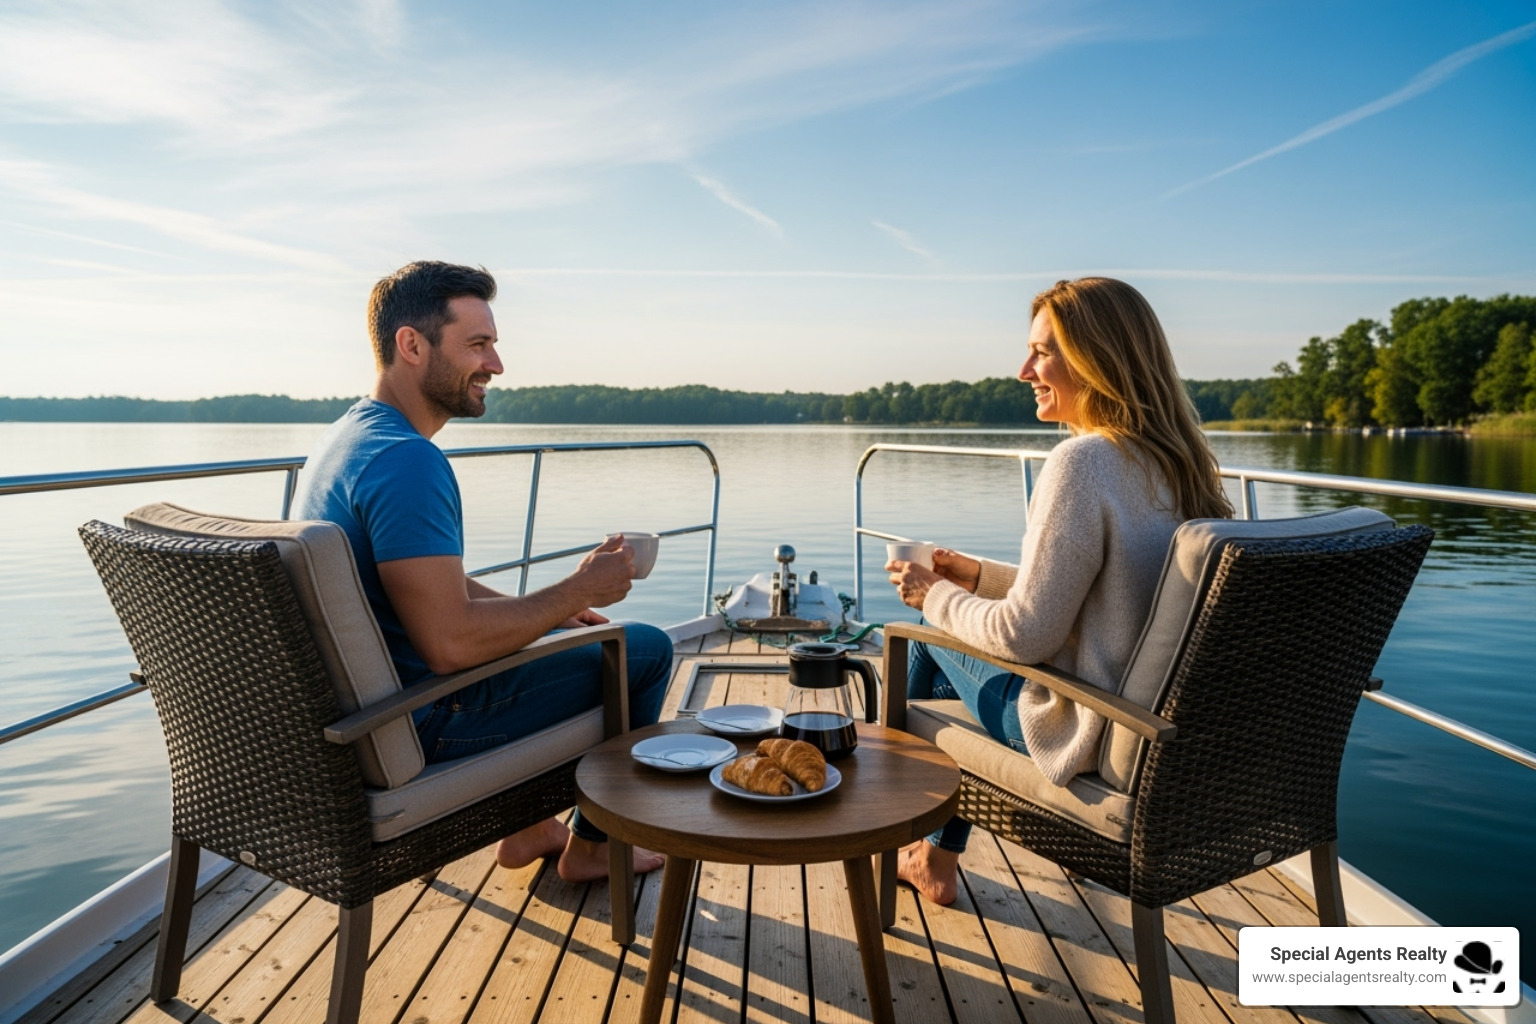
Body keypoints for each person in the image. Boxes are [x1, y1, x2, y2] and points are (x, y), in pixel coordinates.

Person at [295, 260, 673, 882]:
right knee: (645, 651)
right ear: (411, 345)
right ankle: (593, 847)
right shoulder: (407, 461)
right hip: (422, 722)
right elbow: (449, 644)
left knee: (568, 632)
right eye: (478, 345)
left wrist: (556, 609)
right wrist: (579, 588)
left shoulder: (347, 440)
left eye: (493, 344)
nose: (495, 365)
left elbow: (412, 581)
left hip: (356, 720)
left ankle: (529, 827)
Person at [885, 277, 1232, 905]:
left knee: (927, 645)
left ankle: (895, 839)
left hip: (1087, 730)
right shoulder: (1181, 466)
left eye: (1043, 352)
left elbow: (1024, 637)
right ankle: (933, 854)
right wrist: (979, 578)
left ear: (1097, 359)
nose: (1024, 370)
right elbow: (1117, 601)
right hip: (1162, 734)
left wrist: (932, 595)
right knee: (954, 630)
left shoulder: (1082, 463)